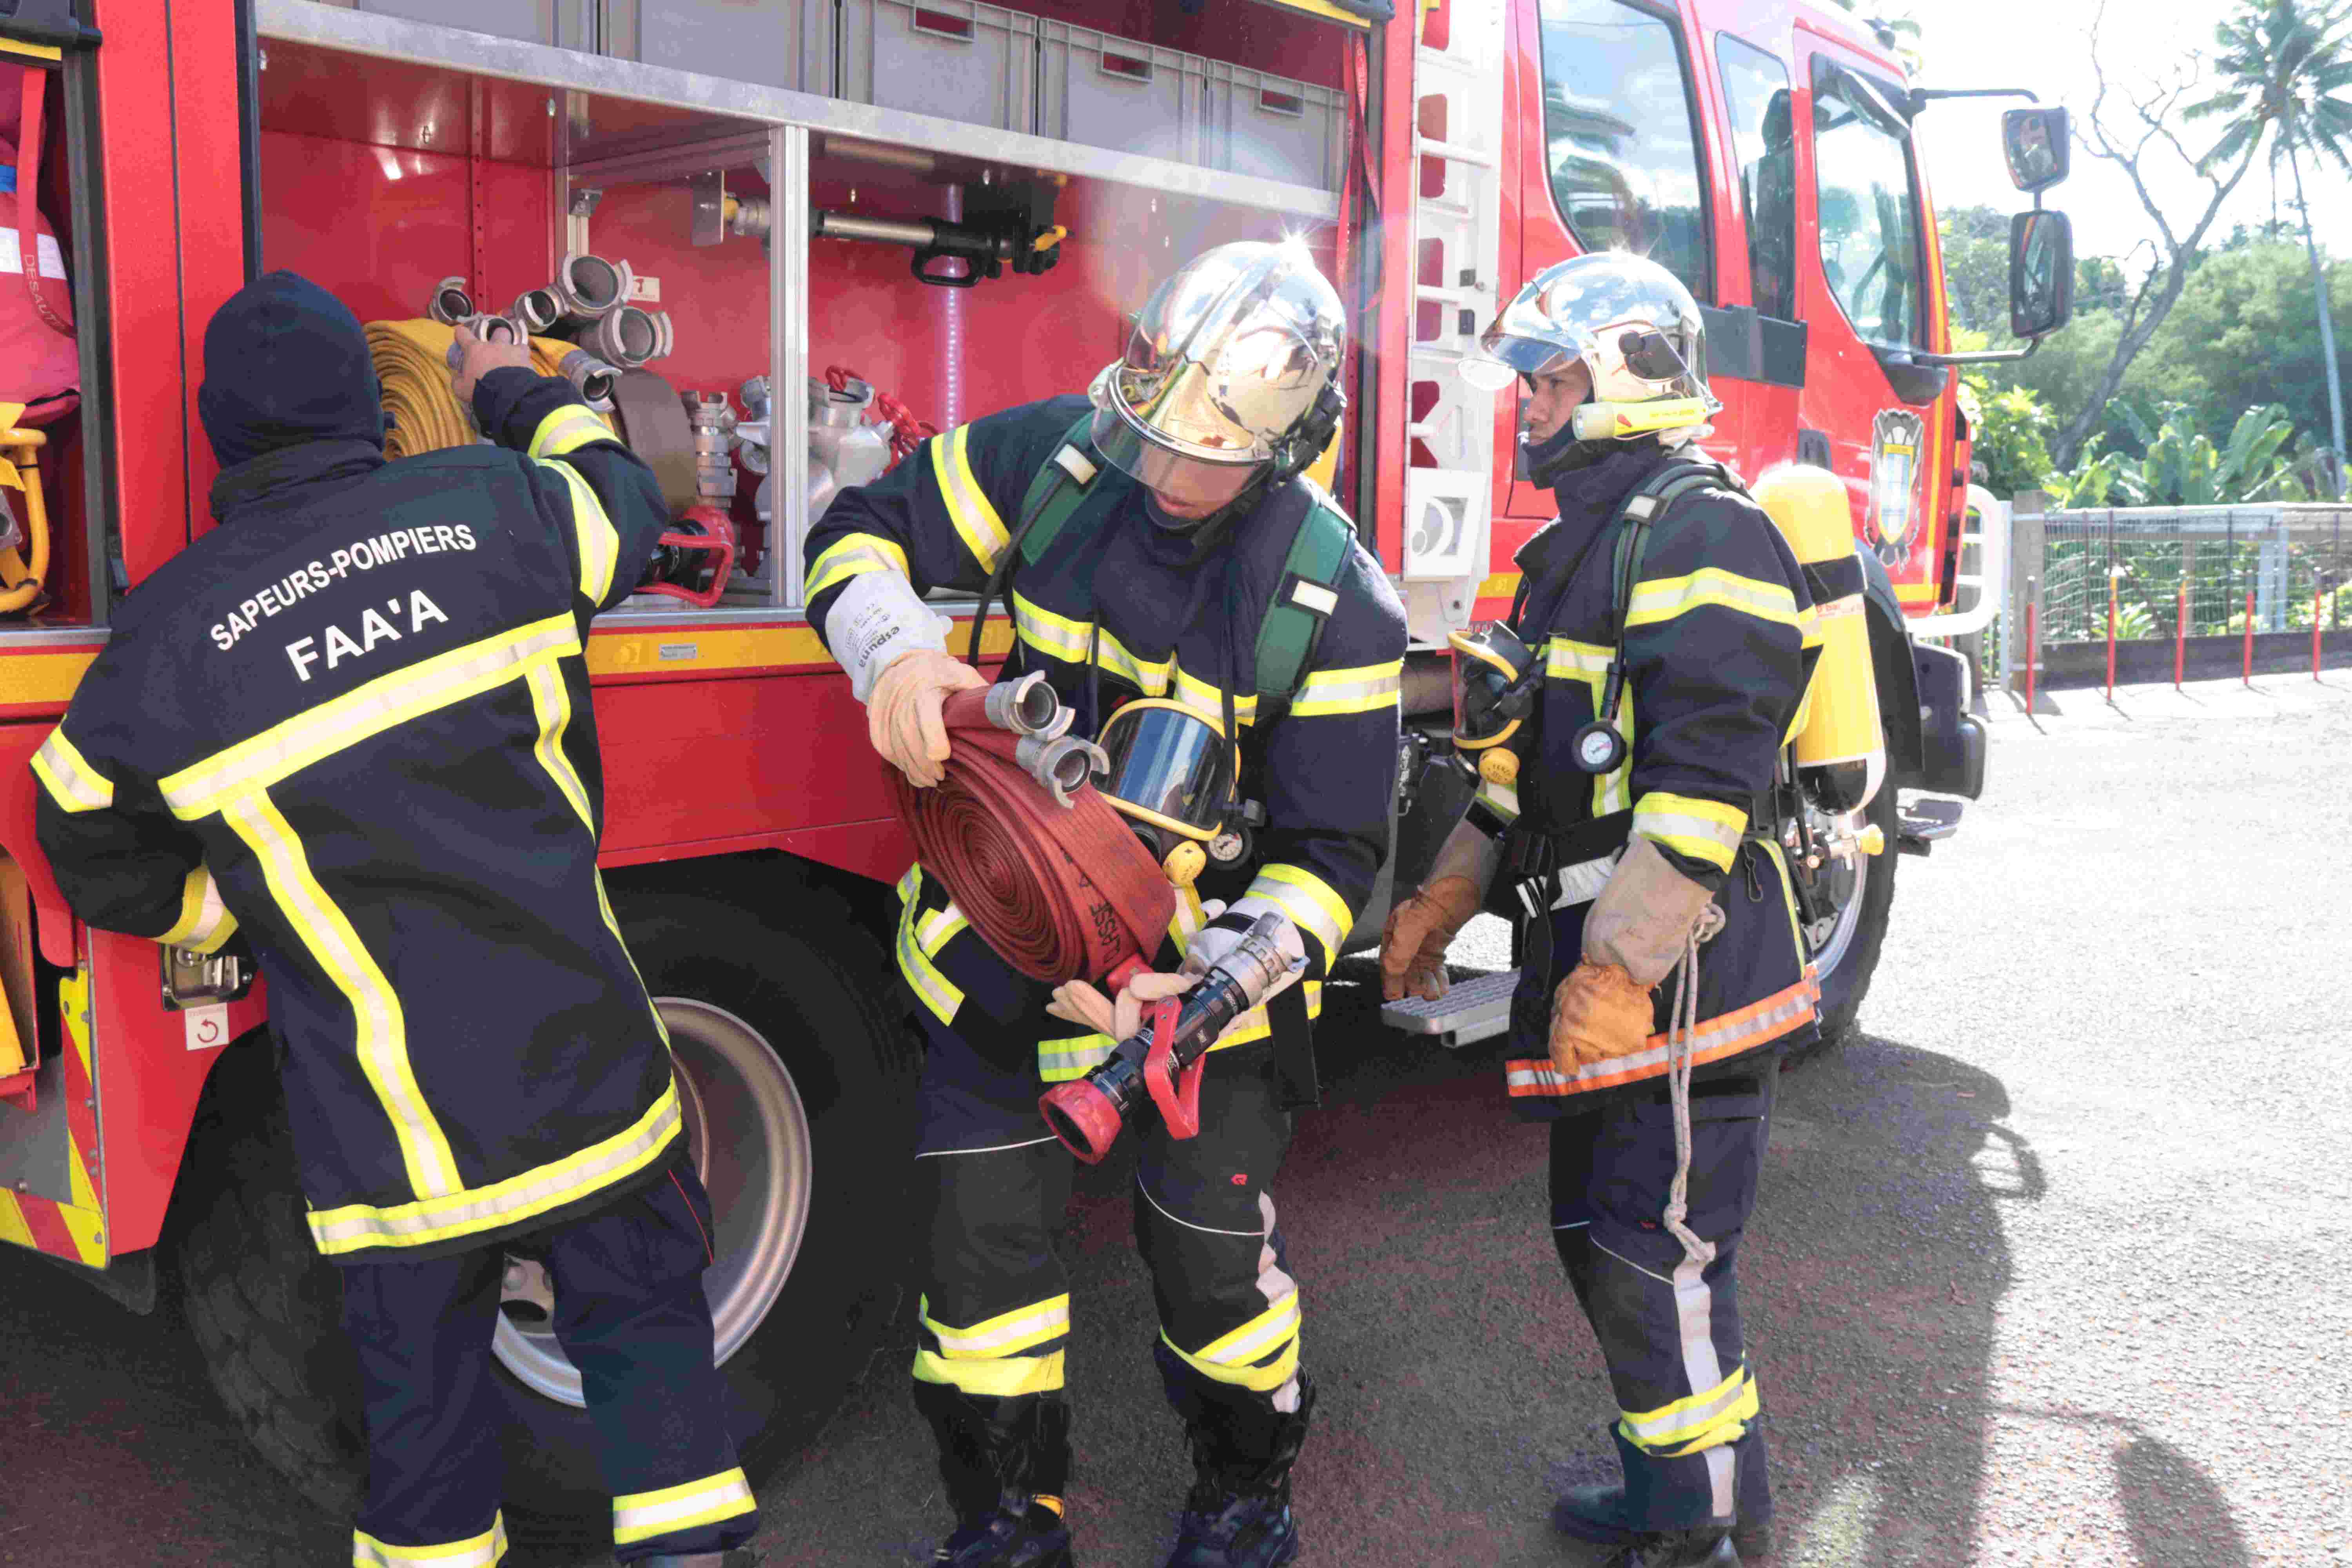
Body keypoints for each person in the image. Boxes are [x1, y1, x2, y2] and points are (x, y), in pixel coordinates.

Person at [31, 271, 759, 1568]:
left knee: (423, 1461)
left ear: (217, 429)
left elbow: (78, 831)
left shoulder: (167, 643)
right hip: (586, 1080)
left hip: (395, 1145)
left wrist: (242, 904)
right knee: (655, 1385)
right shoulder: (497, 508)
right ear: (375, 402)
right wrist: (511, 387)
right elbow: (635, 503)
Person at [804, 240, 1405, 1568]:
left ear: (1288, 448)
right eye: (1152, 425)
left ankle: (1247, 1500)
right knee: (981, 1273)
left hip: (1192, 1002)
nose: (1165, 471)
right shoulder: (1061, 458)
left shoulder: (1334, 600)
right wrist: (892, 649)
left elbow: (1334, 858)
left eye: (1209, 454)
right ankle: (1012, 1522)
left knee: (1214, 1275)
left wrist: (1205, 987)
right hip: (993, 950)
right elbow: (853, 532)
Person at [1381, 253, 1822, 1568]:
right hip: (1595, 961)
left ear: (1627, 378)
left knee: (1659, 1251)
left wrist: (1622, 964)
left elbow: (1707, 786)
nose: (1527, 407)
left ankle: (1704, 1524)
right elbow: (1527, 771)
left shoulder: (1707, 531)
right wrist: (1447, 888)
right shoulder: (1579, 546)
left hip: (1685, 977)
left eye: (1551, 379)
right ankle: (1665, 1483)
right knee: (1601, 1239)